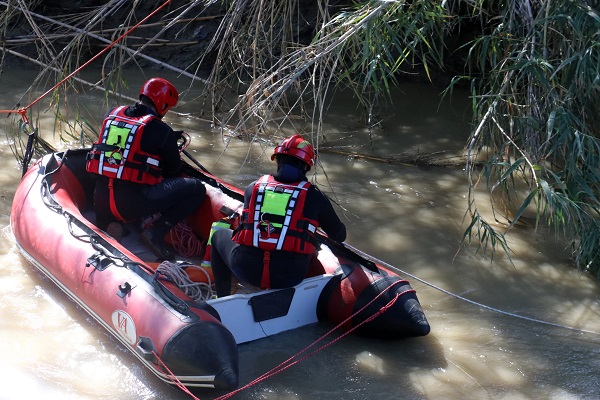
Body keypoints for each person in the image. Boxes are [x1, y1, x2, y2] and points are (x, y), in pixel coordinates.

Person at [210, 134, 346, 297]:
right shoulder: (315, 197)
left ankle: (222, 297)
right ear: (306, 166)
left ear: (277, 160)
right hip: (289, 277)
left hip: (246, 270)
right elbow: (339, 235)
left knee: (218, 235)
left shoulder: (252, 188)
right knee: (309, 245)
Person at [86, 77, 206, 260]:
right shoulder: (161, 130)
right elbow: (172, 171)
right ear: (163, 105)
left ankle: (111, 223)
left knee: (122, 186)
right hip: (131, 204)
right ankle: (155, 233)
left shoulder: (112, 113)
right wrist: (167, 146)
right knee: (197, 188)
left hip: (100, 200)